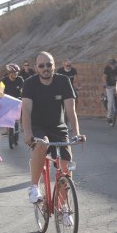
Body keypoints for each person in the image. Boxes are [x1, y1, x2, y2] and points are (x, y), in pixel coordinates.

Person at [22, 51, 85, 204]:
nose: (46, 68)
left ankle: (62, 208)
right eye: (41, 65)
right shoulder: (30, 83)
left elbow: (71, 111)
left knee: (66, 171)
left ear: (54, 66)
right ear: (36, 68)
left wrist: (76, 133)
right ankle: (34, 187)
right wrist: (28, 133)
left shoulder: (63, 81)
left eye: (49, 65)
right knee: (42, 144)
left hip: (58, 128)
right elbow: (26, 110)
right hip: (38, 127)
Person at [103, 58, 117, 124]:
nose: (112, 66)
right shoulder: (107, 68)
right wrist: (105, 84)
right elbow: (104, 77)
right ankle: (109, 116)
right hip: (109, 86)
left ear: (116, 64)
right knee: (110, 101)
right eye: (111, 65)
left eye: (113, 65)